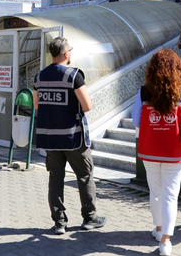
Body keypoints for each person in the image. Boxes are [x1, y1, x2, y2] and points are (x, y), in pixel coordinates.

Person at [33, 37, 107, 235]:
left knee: (55, 178)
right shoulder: (73, 76)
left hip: (50, 138)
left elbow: (37, 105)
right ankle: (90, 218)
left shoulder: (39, 77)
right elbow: (87, 106)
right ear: (66, 54)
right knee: (84, 176)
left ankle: (59, 223)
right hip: (73, 138)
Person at [132, 49, 181, 256]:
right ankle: (165, 242)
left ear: (152, 69)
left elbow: (136, 121)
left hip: (150, 150)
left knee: (156, 192)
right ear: (178, 68)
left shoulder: (144, 91)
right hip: (176, 152)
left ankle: (159, 228)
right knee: (171, 195)